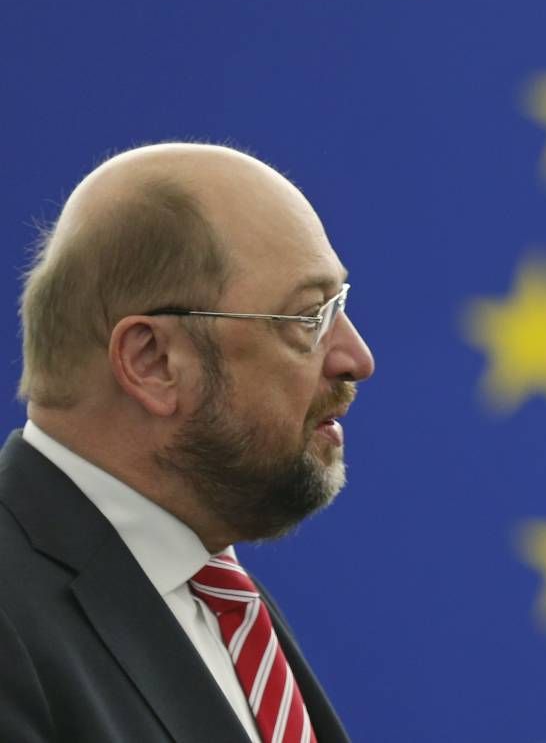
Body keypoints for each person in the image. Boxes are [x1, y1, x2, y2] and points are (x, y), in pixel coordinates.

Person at [0, 143, 375, 742]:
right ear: (152, 361)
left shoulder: (214, 596)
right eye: (309, 317)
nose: (357, 358)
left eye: (340, 305)